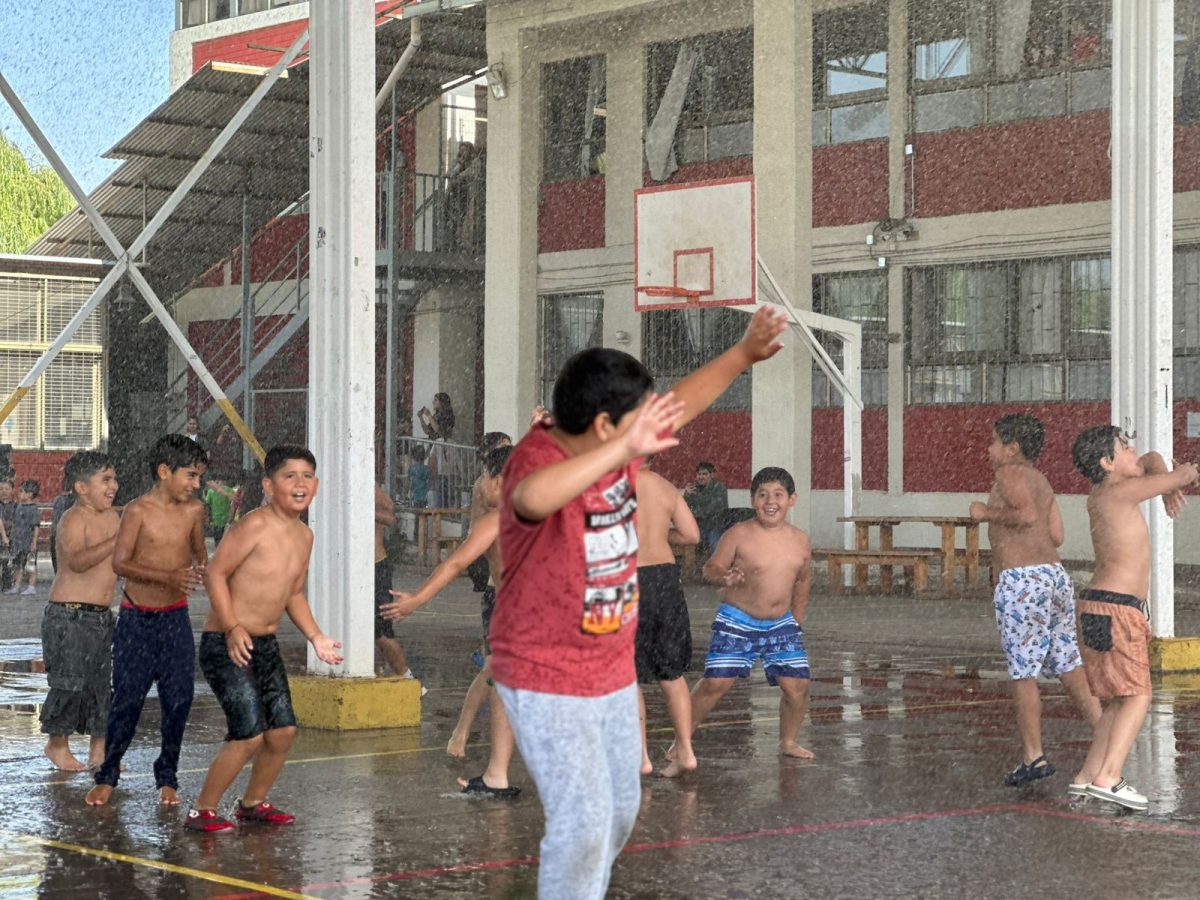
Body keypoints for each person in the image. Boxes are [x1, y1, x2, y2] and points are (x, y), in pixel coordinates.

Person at [490, 305, 786, 899]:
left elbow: (684, 401)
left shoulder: (611, 441)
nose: (650, 430)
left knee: (620, 809)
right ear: (603, 426)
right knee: (583, 824)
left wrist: (743, 354)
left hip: (608, 669)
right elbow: (531, 498)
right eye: (633, 423)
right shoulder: (538, 456)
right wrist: (621, 450)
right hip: (544, 670)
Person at [186, 445, 342, 832]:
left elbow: (294, 594)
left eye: (307, 476)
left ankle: (252, 803)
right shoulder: (254, 525)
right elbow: (216, 574)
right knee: (248, 733)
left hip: (265, 645)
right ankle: (202, 810)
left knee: (283, 730)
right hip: (226, 643)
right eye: (290, 476)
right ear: (269, 485)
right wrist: (233, 625)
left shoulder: (305, 536)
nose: (300, 484)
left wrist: (316, 636)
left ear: (317, 485)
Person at [968, 414, 1101, 788]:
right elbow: (1056, 535)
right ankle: (1104, 734)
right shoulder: (1042, 480)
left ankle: (1033, 755)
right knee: (1069, 663)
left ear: (1012, 449)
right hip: (1055, 577)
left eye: (994, 441)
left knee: (1023, 671)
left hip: (1022, 581)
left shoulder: (1009, 474)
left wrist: (986, 513)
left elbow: (1024, 515)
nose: (989, 448)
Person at [1069, 426, 1197, 811]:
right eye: (1124, 448)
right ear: (1108, 463)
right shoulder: (1121, 492)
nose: (1133, 451)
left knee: (1114, 701)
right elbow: (1183, 473)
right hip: (1118, 609)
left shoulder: (1103, 493)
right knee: (1139, 695)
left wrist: (1165, 484)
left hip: (1097, 605)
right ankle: (1109, 776)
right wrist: (1179, 479)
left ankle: (1086, 777)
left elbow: (1152, 462)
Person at [382, 446, 519, 797]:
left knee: (510, 687)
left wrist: (418, 599)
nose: (483, 483)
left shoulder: (498, 520)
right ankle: (500, 775)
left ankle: (501, 775)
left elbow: (455, 564)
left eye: (489, 476)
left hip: (520, 612)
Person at [86, 435, 209, 807]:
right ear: (163, 472)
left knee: (179, 699)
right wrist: (169, 577)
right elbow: (120, 563)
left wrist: (207, 571)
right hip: (136, 619)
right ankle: (108, 774)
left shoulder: (194, 511)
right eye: (190, 476)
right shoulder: (137, 511)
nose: (196, 485)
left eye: (199, 477)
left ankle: (166, 776)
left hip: (175, 619)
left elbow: (200, 554)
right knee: (127, 700)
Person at [682, 466, 814, 762]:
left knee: (797, 686)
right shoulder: (739, 534)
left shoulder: (800, 540)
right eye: (763, 494)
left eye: (778, 495)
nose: (770, 501)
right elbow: (710, 568)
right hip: (738, 619)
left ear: (792, 499)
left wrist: (797, 617)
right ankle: (681, 741)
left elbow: (803, 579)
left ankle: (788, 741)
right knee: (715, 682)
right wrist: (724, 576)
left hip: (781, 622)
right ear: (753, 500)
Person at [39, 452, 119, 772]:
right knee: (69, 683)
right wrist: (118, 540)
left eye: (114, 479)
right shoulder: (74, 517)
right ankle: (56, 744)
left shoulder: (113, 517)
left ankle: (99, 751)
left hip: (100, 616)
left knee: (100, 685)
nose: (113, 486)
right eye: (105, 480)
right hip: (68, 616)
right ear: (81, 488)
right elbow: (77, 561)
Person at [634, 462, 700, 778]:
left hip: (625, 579)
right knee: (671, 673)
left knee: (627, 675)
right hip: (663, 579)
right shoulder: (665, 487)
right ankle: (685, 750)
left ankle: (641, 756)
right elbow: (692, 535)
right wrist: (661, 532)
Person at [374, 482, 411, 678]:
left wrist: (364, 510)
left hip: (376, 566)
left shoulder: (366, 485)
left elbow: (390, 515)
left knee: (381, 631)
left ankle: (407, 677)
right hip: (351, 569)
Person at [684, 462, 728, 554]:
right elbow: (683, 509)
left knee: (715, 548)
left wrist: (694, 513)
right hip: (699, 526)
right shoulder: (693, 488)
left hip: (716, 526)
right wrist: (687, 495)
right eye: (699, 474)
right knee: (687, 543)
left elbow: (710, 509)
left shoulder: (719, 488)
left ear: (711, 475)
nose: (701, 477)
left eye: (705, 474)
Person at [9, 480, 42, 595]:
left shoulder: (33, 509)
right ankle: (17, 585)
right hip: (18, 541)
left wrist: (34, 542)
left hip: (28, 541)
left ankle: (31, 586)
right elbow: (15, 523)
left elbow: (36, 527)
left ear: (30, 494)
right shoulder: (18, 506)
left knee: (30, 564)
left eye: (22, 491)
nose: (19, 494)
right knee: (19, 564)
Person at [49, 482, 75, 574]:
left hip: (55, 531)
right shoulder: (72, 500)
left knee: (56, 557)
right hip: (66, 532)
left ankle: (58, 574)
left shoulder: (57, 499)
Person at [204, 477, 236, 545]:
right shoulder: (230, 490)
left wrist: (208, 517)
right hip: (226, 518)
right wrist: (231, 517)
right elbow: (234, 504)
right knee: (225, 539)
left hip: (216, 518)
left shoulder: (211, 491)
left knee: (217, 539)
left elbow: (207, 504)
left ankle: (218, 549)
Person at [0, 478, 16, 591]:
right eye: (1, 489)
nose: (3, 491)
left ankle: (7, 584)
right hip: (2, 537)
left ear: (12, 490)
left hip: (11, 538)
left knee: (8, 562)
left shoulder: (16, 506)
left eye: (7, 489)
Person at [407, 444, 432, 509]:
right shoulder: (427, 469)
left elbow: (409, 482)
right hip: (424, 495)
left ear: (413, 457)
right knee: (423, 512)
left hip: (415, 495)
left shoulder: (411, 468)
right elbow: (429, 482)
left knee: (416, 511)